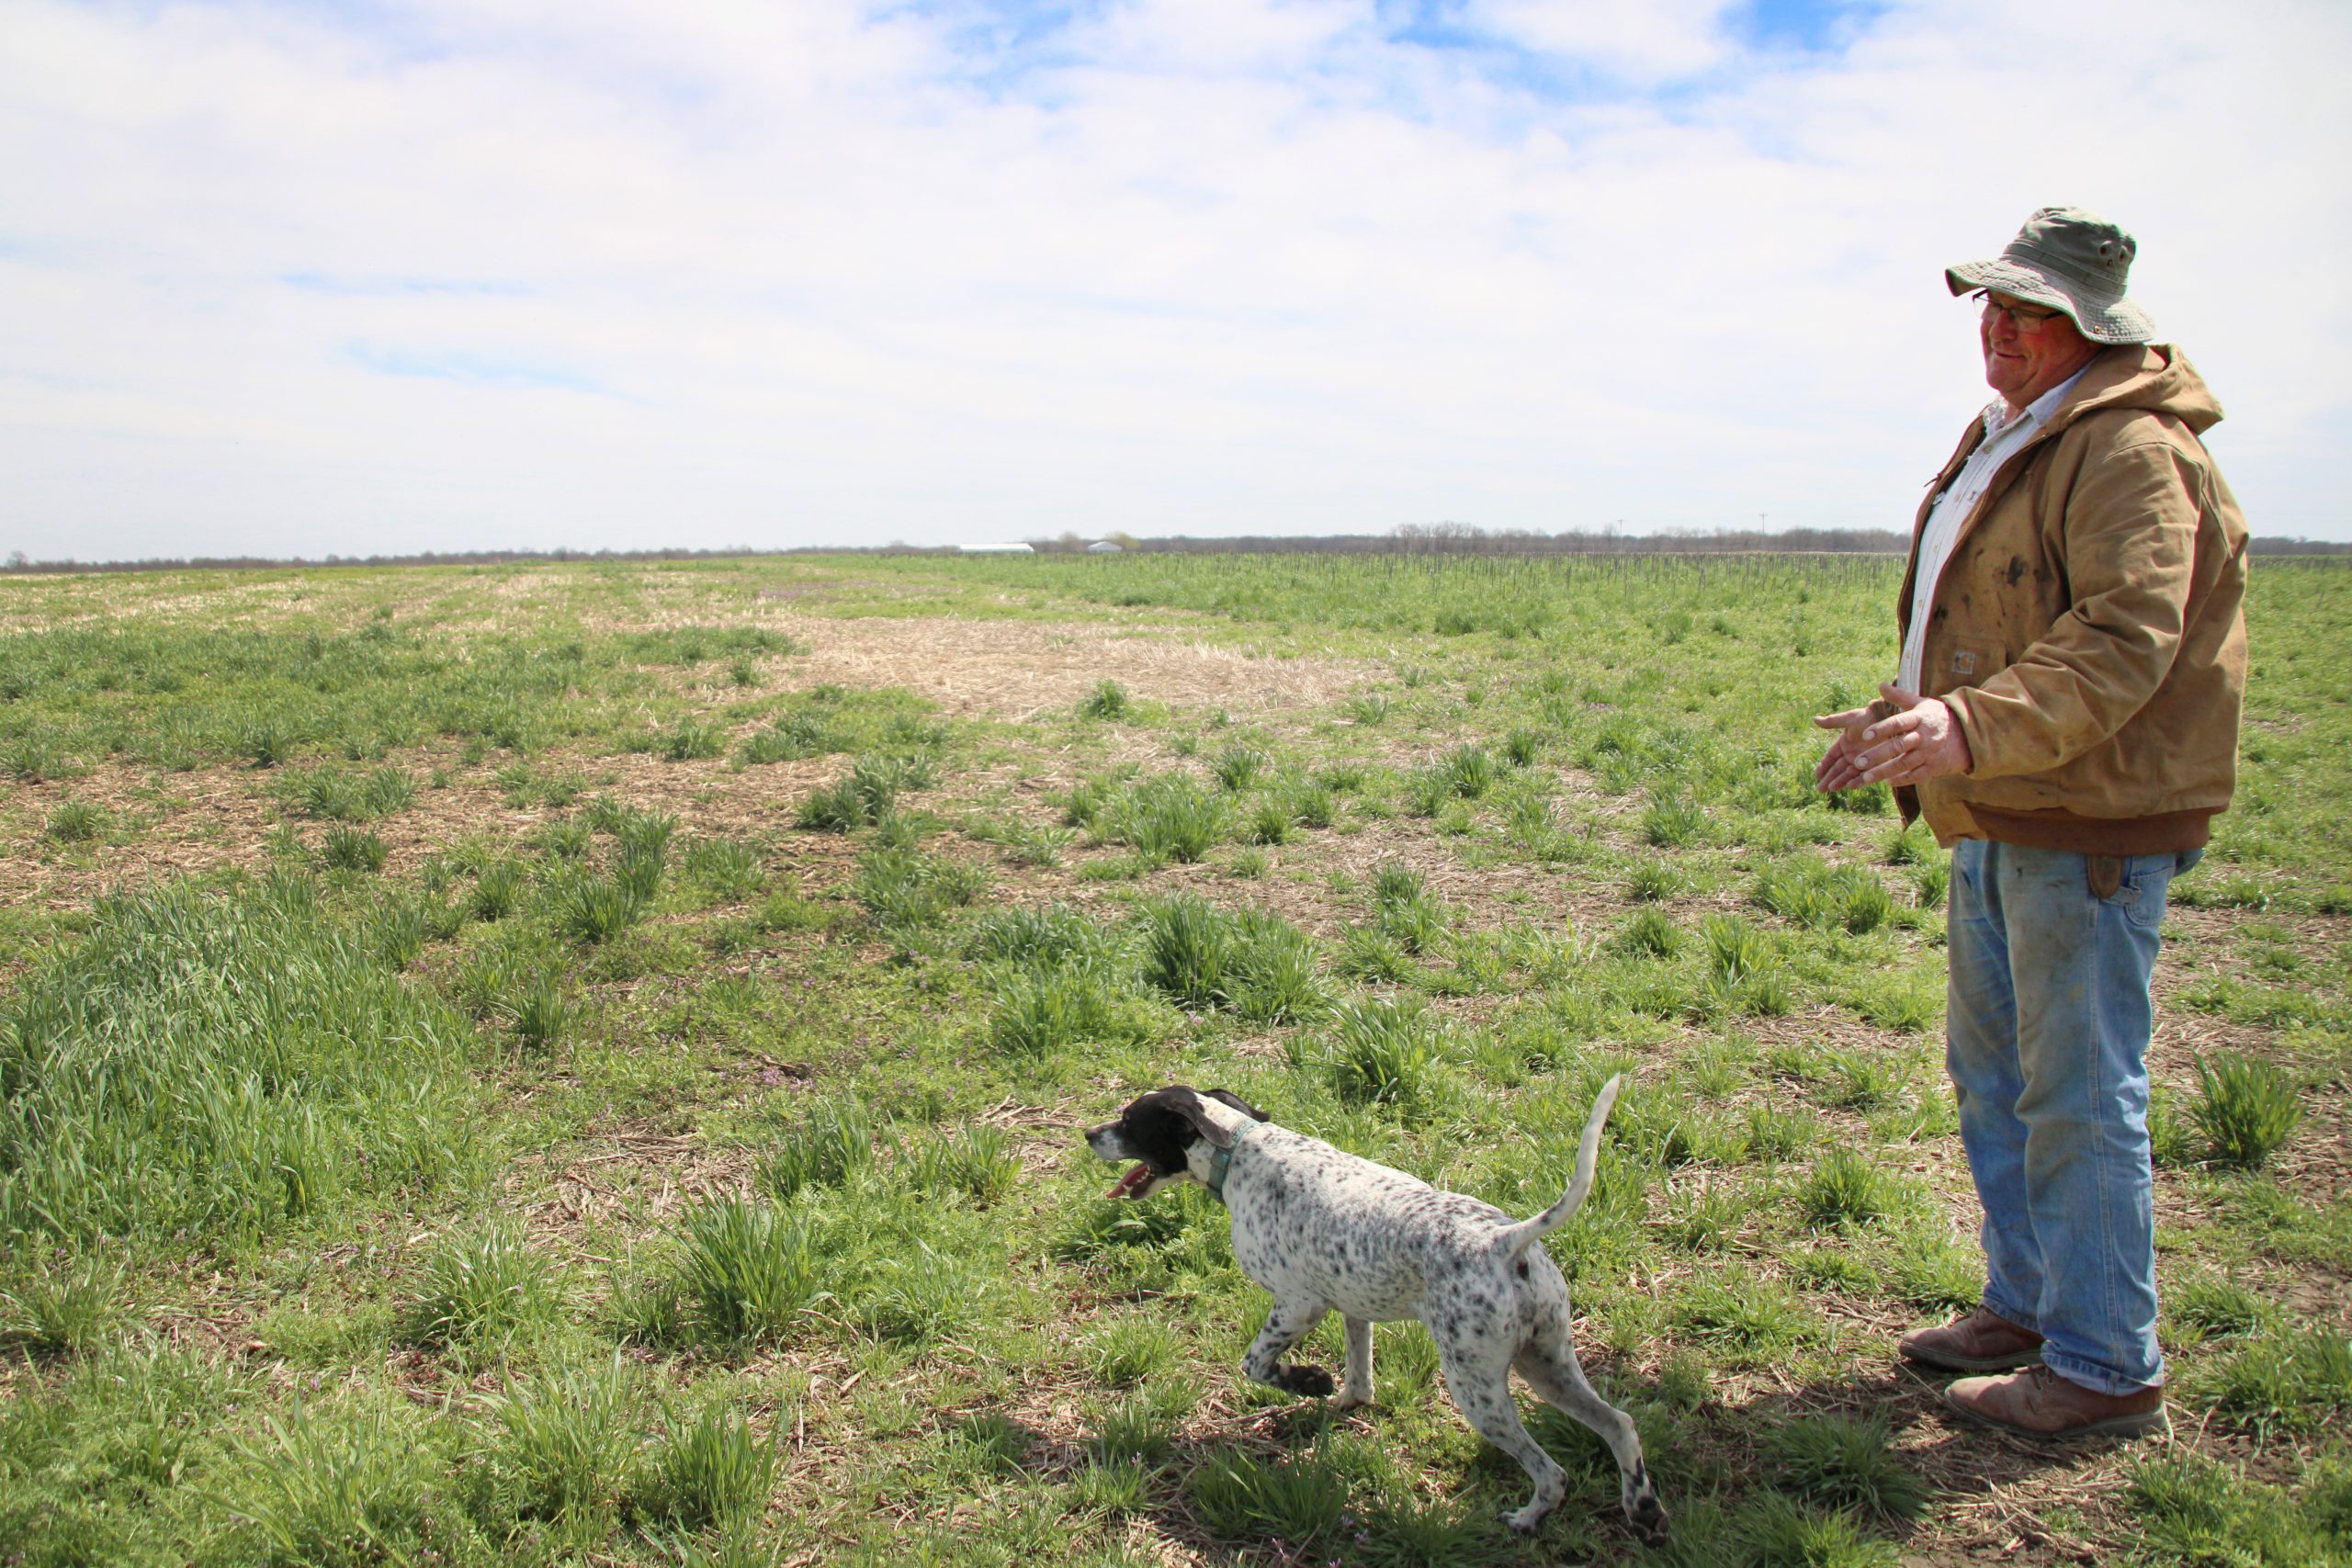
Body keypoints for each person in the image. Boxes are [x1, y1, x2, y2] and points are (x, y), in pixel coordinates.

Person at [1813, 207, 2248, 1439]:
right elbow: (2005, 622)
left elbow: (2122, 643)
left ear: (2092, 327)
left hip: (2087, 818)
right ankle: (2030, 1306)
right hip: (2005, 800)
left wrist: (1968, 726)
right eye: (1991, 303)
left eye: (2030, 309)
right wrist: (1917, 715)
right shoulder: (2018, 432)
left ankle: (2108, 1365)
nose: (1997, 325)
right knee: (1996, 1079)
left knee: (2075, 1091)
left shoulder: (2127, 451)